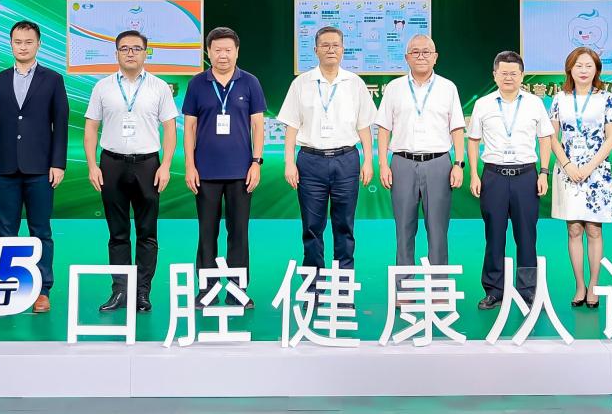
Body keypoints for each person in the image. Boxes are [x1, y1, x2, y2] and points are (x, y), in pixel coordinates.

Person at [83, 30, 178, 313]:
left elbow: (170, 129)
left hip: (148, 164)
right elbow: (91, 128)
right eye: (124, 48)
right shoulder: (102, 87)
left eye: (136, 48)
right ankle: (120, 291)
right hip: (111, 163)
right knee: (118, 232)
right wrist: (92, 165)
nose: (130, 53)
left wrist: (165, 165)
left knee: (147, 232)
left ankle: (142, 292)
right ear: (116, 53)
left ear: (146, 53)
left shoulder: (159, 87)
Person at [277, 26, 377, 292]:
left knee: (344, 226)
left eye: (335, 45)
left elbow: (364, 126)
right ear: (315, 50)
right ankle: (313, 286)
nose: (331, 50)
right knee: (312, 227)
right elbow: (291, 126)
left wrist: (368, 160)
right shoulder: (301, 83)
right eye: (325, 45)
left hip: (346, 160)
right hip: (310, 162)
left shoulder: (355, 83)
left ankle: (343, 287)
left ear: (343, 50)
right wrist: (289, 162)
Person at [0, 20, 68, 314]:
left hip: (40, 169)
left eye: (29, 42)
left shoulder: (52, 79)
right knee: (5, 232)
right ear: (10, 44)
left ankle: (42, 290)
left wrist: (57, 163)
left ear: (38, 44)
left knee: (40, 231)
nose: (23, 47)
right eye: (18, 42)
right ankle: (8, 286)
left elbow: (61, 125)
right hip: (3, 168)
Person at [376, 35, 466, 301]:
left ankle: (438, 289)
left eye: (426, 52)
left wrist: (458, 164)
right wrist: (383, 164)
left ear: (435, 57)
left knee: (438, 230)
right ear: (406, 58)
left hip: (439, 163)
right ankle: (404, 290)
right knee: (404, 229)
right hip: (402, 163)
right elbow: (384, 128)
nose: (421, 56)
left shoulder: (448, 87)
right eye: (415, 52)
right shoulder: (394, 88)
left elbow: (457, 128)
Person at [182, 27, 266, 310]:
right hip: (205, 173)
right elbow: (189, 128)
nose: (223, 55)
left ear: (237, 52)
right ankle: (206, 290)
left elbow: (258, 125)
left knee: (238, 233)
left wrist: (256, 162)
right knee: (207, 233)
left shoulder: (250, 82)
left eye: (228, 50)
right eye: (217, 50)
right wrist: (190, 165)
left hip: (241, 173)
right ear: (208, 52)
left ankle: (237, 290)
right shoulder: (197, 84)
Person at [467, 51, 554, 309]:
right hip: (493, 176)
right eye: (503, 73)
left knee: (527, 235)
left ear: (522, 76)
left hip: (526, 176)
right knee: (494, 235)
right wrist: (474, 174)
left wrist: (544, 172)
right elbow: (473, 140)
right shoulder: (483, 104)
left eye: (513, 73)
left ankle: (528, 290)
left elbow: (545, 138)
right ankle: (494, 290)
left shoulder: (534, 103)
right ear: (495, 75)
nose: (508, 77)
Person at [549, 47, 612, 310]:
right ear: (570, 68)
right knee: (574, 229)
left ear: (597, 70)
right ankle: (579, 285)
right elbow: (551, 137)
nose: (583, 70)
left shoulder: (606, 98)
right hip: (567, 171)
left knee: (593, 229)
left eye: (589, 66)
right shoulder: (559, 99)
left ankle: (594, 285)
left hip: (596, 172)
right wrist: (567, 165)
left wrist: (589, 166)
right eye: (578, 65)